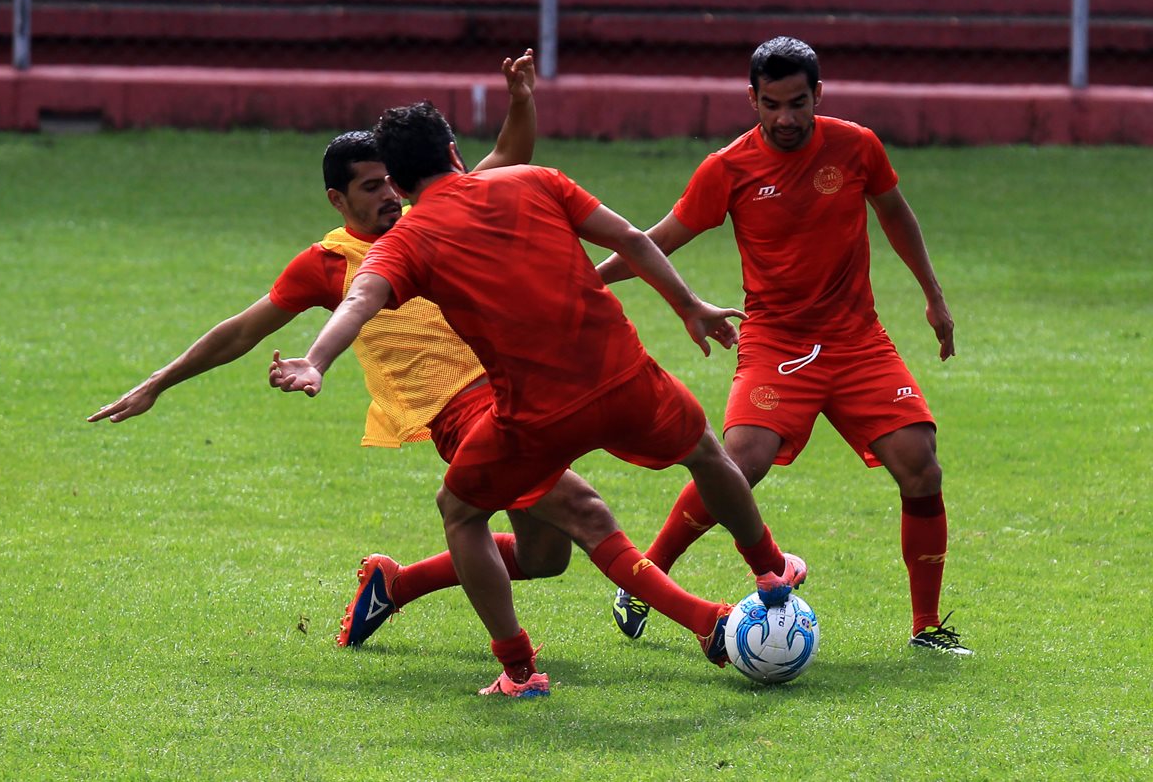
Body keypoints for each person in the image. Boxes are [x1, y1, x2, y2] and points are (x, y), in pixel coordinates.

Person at [270, 101, 808, 697]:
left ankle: (520, 670)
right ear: (454, 151)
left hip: (536, 417)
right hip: (625, 379)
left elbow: (358, 303)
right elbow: (630, 237)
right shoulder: (535, 178)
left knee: (463, 512)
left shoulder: (405, 242)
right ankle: (769, 569)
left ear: (397, 183)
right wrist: (689, 306)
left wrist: (315, 361)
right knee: (707, 455)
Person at [86, 51, 580, 650]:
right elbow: (242, 331)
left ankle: (392, 586)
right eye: (371, 188)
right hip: (462, 415)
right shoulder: (328, 264)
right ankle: (698, 623)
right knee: (587, 511)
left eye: (391, 182)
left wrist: (521, 101)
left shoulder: (436, 215)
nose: (390, 197)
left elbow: (507, 158)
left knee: (547, 554)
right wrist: (157, 382)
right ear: (336, 199)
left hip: (511, 394)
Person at [597, 36, 970, 655]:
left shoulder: (857, 146)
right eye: (771, 104)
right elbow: (657, 241)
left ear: (818, 94)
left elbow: (896, 214)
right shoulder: (727, 168)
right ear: (752, 99)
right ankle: (645, 579)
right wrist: (588, 280)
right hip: (776, 342)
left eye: (798, 102)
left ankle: (926, 627)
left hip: (857, 342)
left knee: (921, 465)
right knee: (740, 463)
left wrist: (933, 295)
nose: (786, 118)